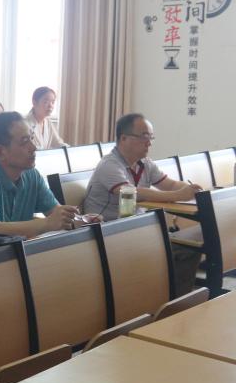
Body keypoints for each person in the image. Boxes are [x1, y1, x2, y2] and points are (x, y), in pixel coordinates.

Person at [83, 114, 202, 293]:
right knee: (184, 247)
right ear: (123, 138)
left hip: (135, 229)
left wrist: (190, 189)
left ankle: (173, 297)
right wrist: (178, 195)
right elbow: (132, 194)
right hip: (109, 232)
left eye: (151, 137)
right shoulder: (109, 165)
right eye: (144, 137)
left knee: (191, 244)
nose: (149, 143)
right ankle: (166, 296)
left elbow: (169, 184)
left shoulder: (145, 163)